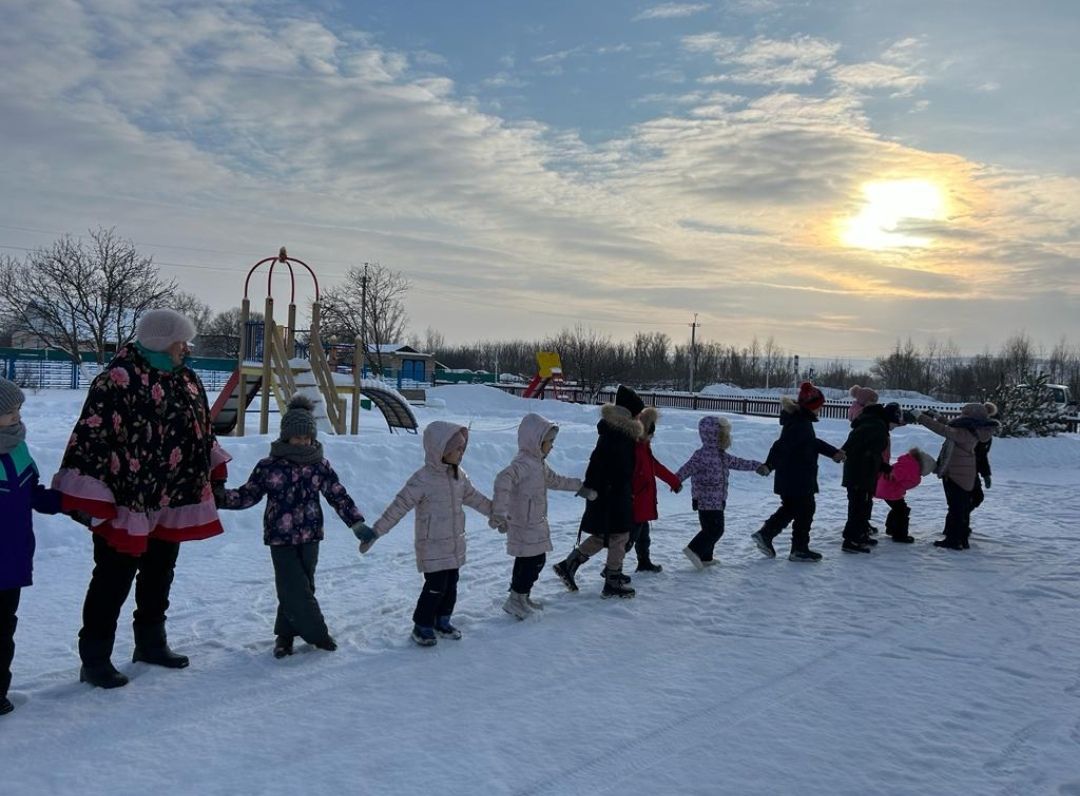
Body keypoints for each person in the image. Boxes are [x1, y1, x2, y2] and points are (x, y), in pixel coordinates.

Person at [52, 309, 231, 689]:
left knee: (160, 571)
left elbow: (201, 429)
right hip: (126, 498)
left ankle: (151, 643)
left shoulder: (186, 378)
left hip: (171, 494)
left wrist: (212, 470)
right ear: (162, 342)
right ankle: (95, 658)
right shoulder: (116, 380)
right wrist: (91, 493)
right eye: (182, 341)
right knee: (113, 577)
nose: (187, 348)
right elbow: (91, 435)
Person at [216, 395, 368, 657]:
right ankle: (317, 634)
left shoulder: (319, 465)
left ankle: (284, 636)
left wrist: (356, 523)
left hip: (311, 535)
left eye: (307, 437)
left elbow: (337, 494)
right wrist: (220, 498)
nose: (303, 442)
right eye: (297, 438)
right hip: (280, 537)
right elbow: (248, 494)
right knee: (291, 585)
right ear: (286, 436)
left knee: (302, 587)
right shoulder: (269, 466)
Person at [357, 422, 493, 646]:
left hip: (454, 544)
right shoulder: (422, 479)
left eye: (462, 449)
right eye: (457, 449)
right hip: (432, 545)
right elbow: (398, 507)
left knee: (451, 584)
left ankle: (443, 620)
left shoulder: (459, 477)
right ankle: (422, 625)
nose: (461, 453)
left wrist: (496, 513)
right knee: (435, 586)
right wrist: (376, 532)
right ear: (441, 450)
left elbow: (476, 498)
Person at [491, 413, 595, 620]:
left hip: (534, 522)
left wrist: (580, 487)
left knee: (527, 562)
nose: (552, 446)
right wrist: (499, 512)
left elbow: (555, 480)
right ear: (536, 441)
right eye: (550, 442)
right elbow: (503, 480)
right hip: (524, 523)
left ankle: (520, 597)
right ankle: (515, 599)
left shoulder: (538, 464)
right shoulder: (523, 464)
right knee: (533, 561)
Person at [0, 379, 62, 715]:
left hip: (12, 559)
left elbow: (32, 492)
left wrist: (63, 500)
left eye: (18, 409)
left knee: (4, 628)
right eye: (8, 411)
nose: (16, 415)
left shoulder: (19, 448)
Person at [552, 385, 644, 599]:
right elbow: (605, 464)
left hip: (606, 493)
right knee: (620, 535)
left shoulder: (614, 431)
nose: (640, 416)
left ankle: (569, 564)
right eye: (638, 412)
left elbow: (598, 461)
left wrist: (594, 486)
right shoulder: (621, 434)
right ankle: (612, 579)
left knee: (604, 536)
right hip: (613, 495)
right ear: (630, 413)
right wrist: (605, 487)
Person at [750, 382, 845, 562]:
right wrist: (769, 465)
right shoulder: (800, 424)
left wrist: (834, 452)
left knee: (792, 508)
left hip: (793, 477)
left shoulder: (801, 422)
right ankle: (797, 548)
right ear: (812, 406)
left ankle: (768, 535)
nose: (820, 410)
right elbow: (781, 446)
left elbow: (812, 443)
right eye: (819, 407)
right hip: (797, 478)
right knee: (805, 509)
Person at [677, 416, 762, 569]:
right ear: (718, 436)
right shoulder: (701, 456)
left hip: (714, 499)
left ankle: (706, 557)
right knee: (716, 530)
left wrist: (756, 466)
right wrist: (675, 481)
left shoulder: (720, 455)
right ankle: (694, 549)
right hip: (707, 500)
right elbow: (686, 469)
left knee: (708, 529)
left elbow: (739, 463)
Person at [914, 403, 1000, 550]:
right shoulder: (974, 429)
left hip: (955, 473)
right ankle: (962, 538)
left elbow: (943, 430)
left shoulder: (965, 432)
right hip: (965, 472)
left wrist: (919, 416)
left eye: (964, 414)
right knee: (961, 506)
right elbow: (950, 426)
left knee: (956, 508)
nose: (961, 416)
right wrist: (937, 416)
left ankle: (954, 540)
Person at [839, 402, 902, 553]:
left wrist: (884, 467)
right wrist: (843, 453)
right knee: (858, 506)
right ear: (890, 419)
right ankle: (851, 540)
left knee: (865, 505)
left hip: (865, 472)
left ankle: (860, 534)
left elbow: (872, 452)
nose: (894, 428)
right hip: (859, 473)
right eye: (895, 424)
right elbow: (853, 445)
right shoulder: (875, 426)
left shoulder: (877, 425)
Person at [627, 407, 680, 573]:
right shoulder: (634, 450)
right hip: (636, 501)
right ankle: (612, 568)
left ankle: (644, 561)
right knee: (629, 539)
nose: (652, 437)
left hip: (643, 501)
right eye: (651, 434)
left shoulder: (644, 448)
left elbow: (656, 467)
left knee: (643, 536)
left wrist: (674, 481)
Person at [875, 447, 937, 543]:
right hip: (890, 490)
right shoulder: (913, 470)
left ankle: (891, 529)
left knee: (899, 509)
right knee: (902, 511)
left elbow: (896, 473)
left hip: (884, 486)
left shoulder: (908, 461)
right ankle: (900, 535)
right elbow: (902, 480)